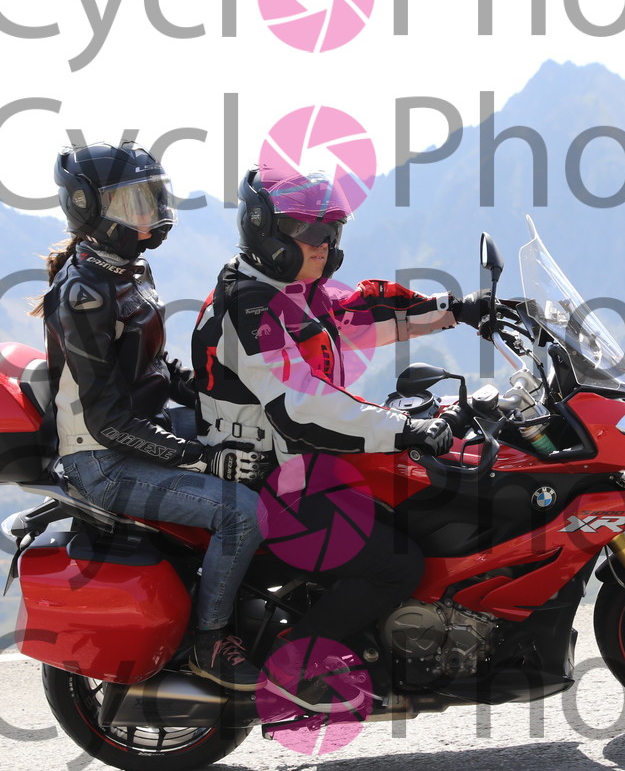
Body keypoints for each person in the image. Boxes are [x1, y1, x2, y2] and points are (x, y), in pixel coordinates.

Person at [189, 163, 498, 653]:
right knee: (396, 564)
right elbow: (301, 407)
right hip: (266, 479)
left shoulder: (292, 288)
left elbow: (362, 312)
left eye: (331, 231)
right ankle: (292, 668)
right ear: (263, 228)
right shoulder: (249, 307)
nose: (323, 244)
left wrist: (456, 310)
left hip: (304, 463)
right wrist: (405, 429)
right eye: (306, 231)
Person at [35, 140, 269, 692]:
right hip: (103, 459)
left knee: (265, 439)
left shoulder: (128, 268)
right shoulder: (84, 293)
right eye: (132, 202)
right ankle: (210, 642)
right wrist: (205, 459)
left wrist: (224, 399)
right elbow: (108, 422)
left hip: (143, 429)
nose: (150, 213)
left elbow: (156, 368)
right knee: (244, 513)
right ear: (87, 207)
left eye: (152, 198)